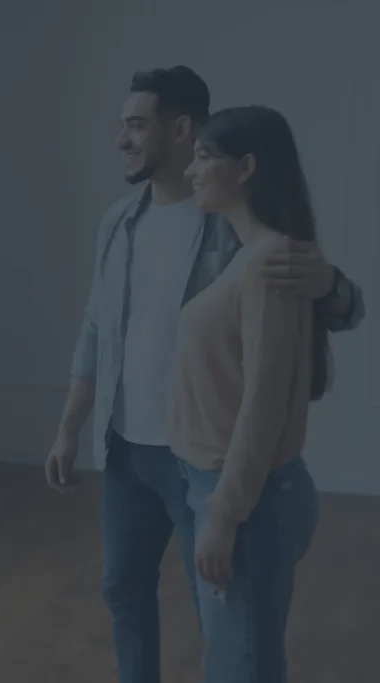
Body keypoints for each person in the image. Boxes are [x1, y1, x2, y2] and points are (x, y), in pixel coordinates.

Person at [44, 66, 364, 683]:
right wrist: (68, 427)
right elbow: (95, 329)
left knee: (221, 616)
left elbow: (334, 312)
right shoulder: (118, 222)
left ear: (180, 129)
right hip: (126, 450)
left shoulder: (237, 222)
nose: (122, 140)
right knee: (122, 591)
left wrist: (332, 284)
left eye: (136, 125)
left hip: (202, 457)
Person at [170, 104, 326, 682]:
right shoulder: (247, 256)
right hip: (223, 490)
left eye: (203, 157)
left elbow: (264, 404)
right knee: (236, 661)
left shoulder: (268, 264)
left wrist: (224, 514)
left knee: (241, 668)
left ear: (246, 168)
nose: (190, 170)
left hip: (247, 501)